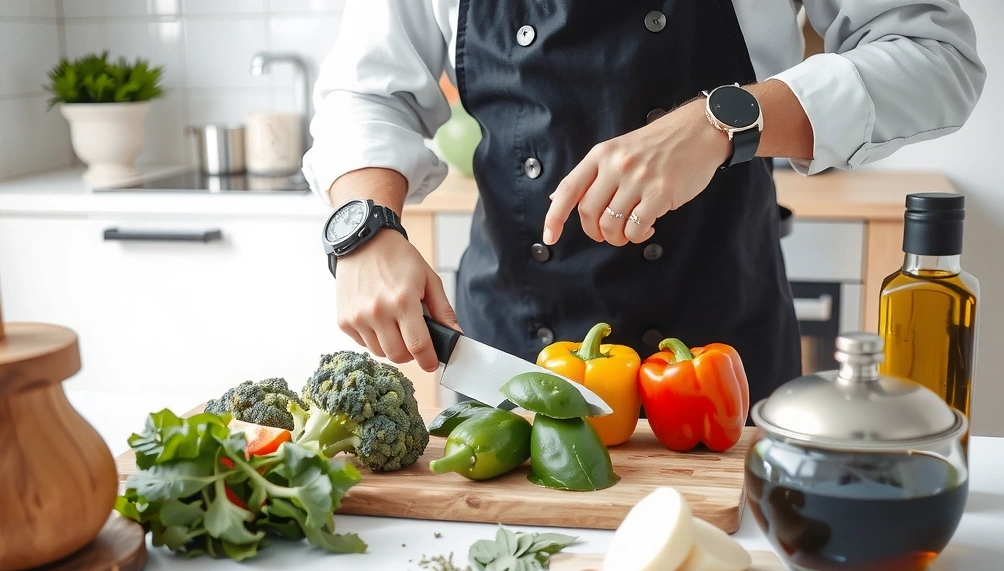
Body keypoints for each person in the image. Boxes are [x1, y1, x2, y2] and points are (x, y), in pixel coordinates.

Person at [303, 0, 984, 404]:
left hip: (718, 368)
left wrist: (723, 120)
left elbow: (934, 55)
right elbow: (366, 91)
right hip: (508, 357)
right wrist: (364, 226)